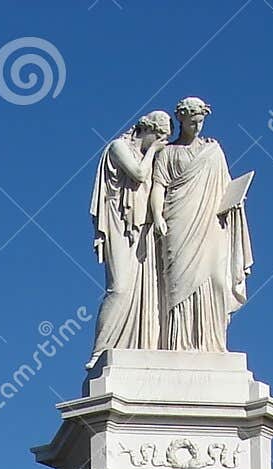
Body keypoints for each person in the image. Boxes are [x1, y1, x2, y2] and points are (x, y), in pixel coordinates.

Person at [149, 96, 253, 352]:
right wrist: (158, 216)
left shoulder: (213, 151)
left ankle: (210, 342)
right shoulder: (168, 153)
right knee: (178, 283)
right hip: (178, 220)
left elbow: (225, 185)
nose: (197, 127)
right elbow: (158, 186)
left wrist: (236, 201)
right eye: (192, 122)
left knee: (216, 279)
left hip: (211, 221)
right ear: (181, 120)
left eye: (200, 122)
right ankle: (178, 343)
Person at [89, 111, 172, 359]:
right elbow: (138, 174)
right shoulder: (118, 147)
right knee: (120, 288)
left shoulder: (150, 156)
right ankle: (101, 350)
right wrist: (153, 150)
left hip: (143, 226)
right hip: (119, 223)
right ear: (147, 130)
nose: (162, 143)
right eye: (159, 136)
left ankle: (142, 345)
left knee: (148, 289)